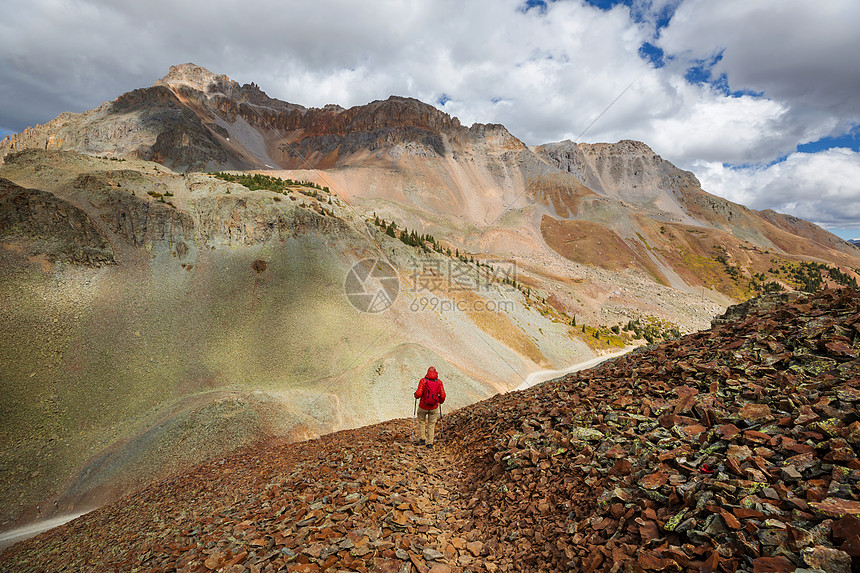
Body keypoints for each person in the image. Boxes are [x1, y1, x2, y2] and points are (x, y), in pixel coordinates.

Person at [414, 366, 446, 448]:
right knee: (431, 424)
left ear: (427, 372)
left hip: (423, 407)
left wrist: (415, 396)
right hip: (434, 407)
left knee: (422, 422)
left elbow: (418, 394)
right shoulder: (439, 382)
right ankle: (430, 443)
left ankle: (422, 439)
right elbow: (442, 395)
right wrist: (440, 402)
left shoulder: (423, 381)